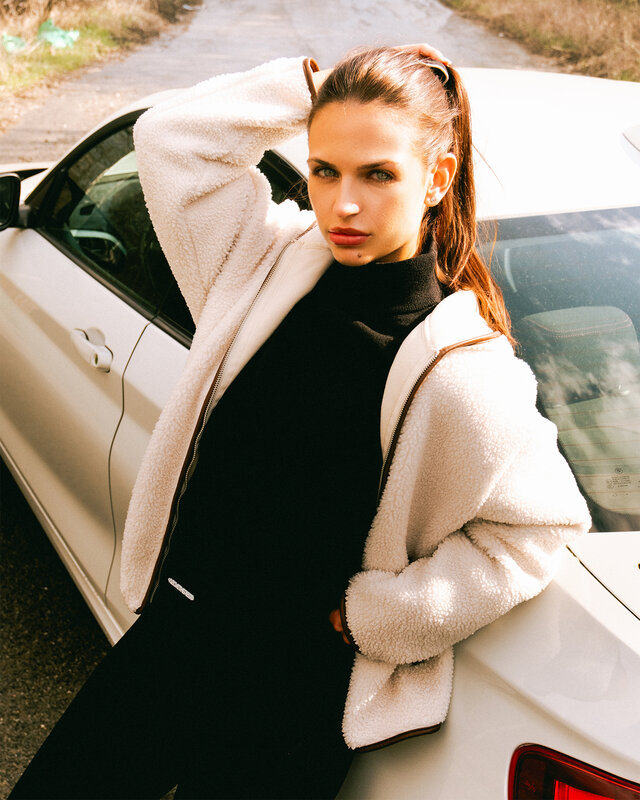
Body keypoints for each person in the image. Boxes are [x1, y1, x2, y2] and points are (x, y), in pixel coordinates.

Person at [10, 44, 591, 799]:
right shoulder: (263, 265)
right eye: (324, 170)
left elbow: (538, 528)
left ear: (436, 178)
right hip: (176, 636)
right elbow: (170, 140)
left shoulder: (465, 371)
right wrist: (309, 85)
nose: (342, 205)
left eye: (377, 174)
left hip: (291, 698)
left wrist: (380, 616)